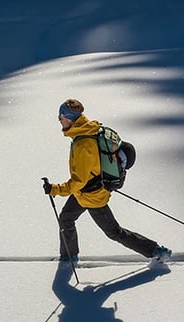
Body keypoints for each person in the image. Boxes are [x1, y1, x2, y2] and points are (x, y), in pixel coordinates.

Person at [42, 98, 172, 264]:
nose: (59, 120)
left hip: (92, 196)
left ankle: (156, 251)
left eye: (60, 116)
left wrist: (55, 189)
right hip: (85, 192)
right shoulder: (90, 130)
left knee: (114, 232)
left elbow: (78, 181)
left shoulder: (83, 143)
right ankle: (68, 257)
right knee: (66, 218)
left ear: (69, 118)